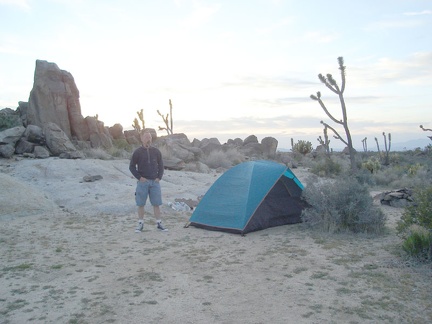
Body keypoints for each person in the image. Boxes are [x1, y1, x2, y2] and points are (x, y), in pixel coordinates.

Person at [129, 130, 168, 232]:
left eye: (150, 137)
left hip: (154, 182)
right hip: (143, 182)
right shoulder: (137, 152)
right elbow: (132, 167)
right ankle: (140, 224)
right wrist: (139, 178)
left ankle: (159, 223)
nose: (148, 139)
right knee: (141, 204)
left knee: (156, 203)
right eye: (146, 137)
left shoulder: (156, 151)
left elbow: (161, 165)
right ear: (141, 138)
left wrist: (159, 177)